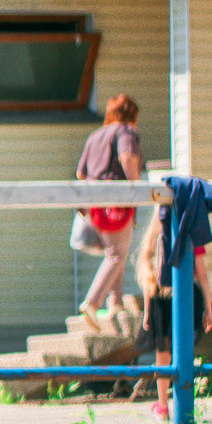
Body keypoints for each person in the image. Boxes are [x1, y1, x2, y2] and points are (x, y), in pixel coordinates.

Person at [133, 204, 212, 421]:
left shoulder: (156, 236)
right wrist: (209, 306)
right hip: (186, 294)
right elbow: (202, 274)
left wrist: (147, 312)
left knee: (163, 354)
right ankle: (184, 404)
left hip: (160, 297)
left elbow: (149, 278)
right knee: (182, 352)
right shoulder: (189, 232)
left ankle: (163, 405)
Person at [74, 95, 146, 332]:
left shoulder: (95, 135)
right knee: (116, 254)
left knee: (117, 251)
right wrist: (137, 189)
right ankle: (92, 302)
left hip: (93, 203)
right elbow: (127, 158)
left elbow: (80, 173)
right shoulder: (125, 132)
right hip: (115, 203)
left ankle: (114, 302)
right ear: (131, 115)